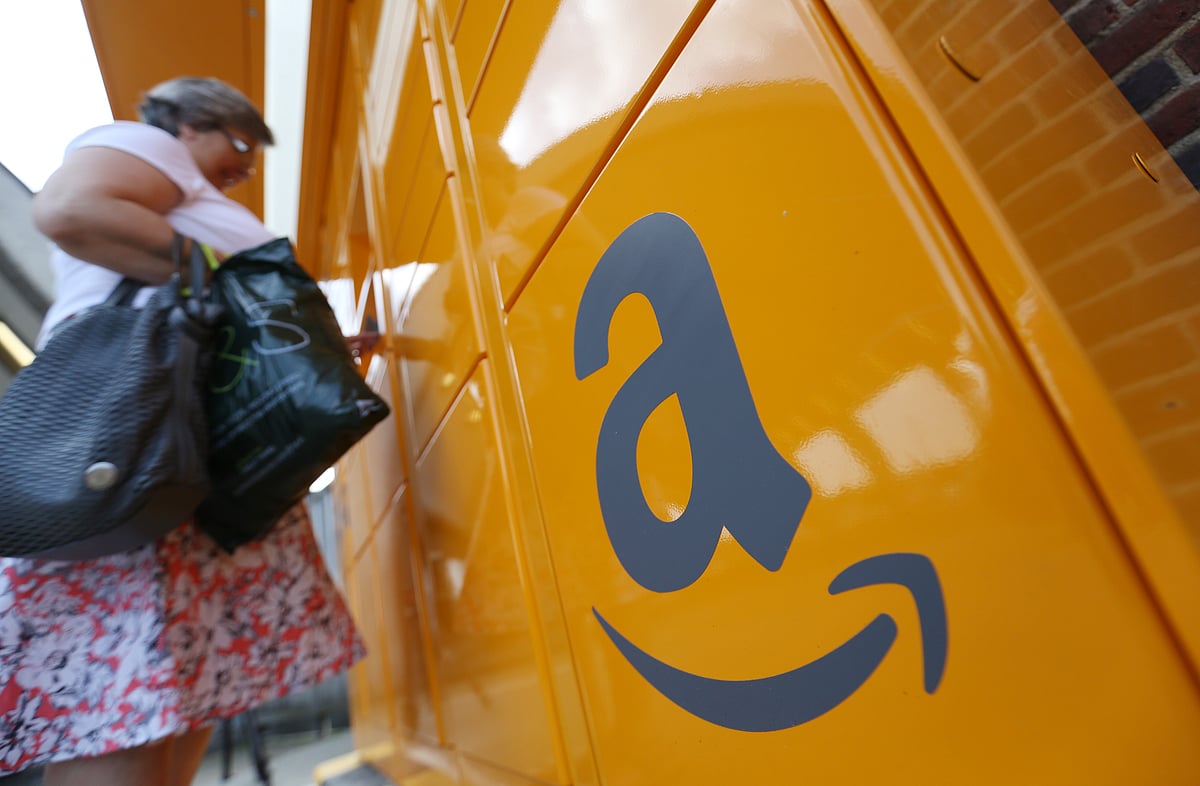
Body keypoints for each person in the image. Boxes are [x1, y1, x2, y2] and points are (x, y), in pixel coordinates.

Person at [0, 77, 364, 785]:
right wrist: (234, 286)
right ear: (195, 123)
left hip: (183, 460)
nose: (247, 170)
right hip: (142, 446)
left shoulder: (187, 192)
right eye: (242, 147)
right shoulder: (146, 146)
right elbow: (72, 209)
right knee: (118, 713)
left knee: (182, 698)